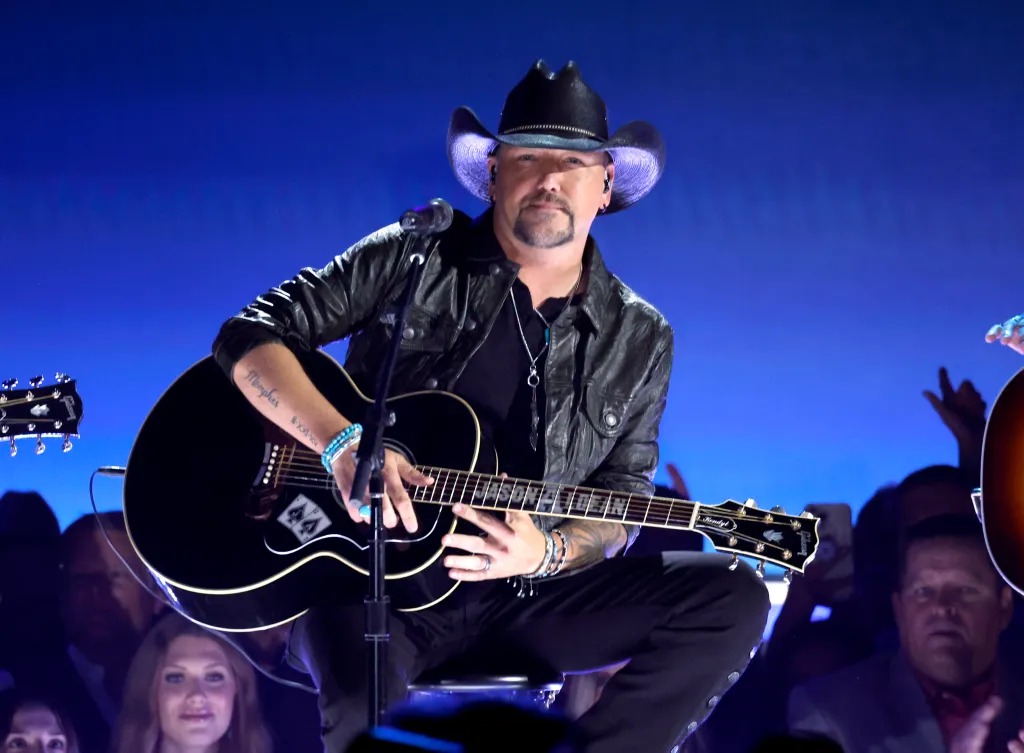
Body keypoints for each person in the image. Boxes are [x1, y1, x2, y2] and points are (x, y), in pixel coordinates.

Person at [212, 59, 770, 753]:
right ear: (495, 173)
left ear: (605, 185)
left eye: (572, 161)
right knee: (365, 712)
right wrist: (338, 441)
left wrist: (550, 549)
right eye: (529, 157)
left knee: (733, 594)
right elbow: (249, 335)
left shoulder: (641, 334)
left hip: (525, 594)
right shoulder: (413, 258)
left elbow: (620, 498)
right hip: (369, 576)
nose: (549, 179)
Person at [788, 509, 1024, 753]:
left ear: (1004, 607)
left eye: (965, 590)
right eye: (924, 591)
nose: (942, 607)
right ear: (899, 609)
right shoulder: (828, 710)